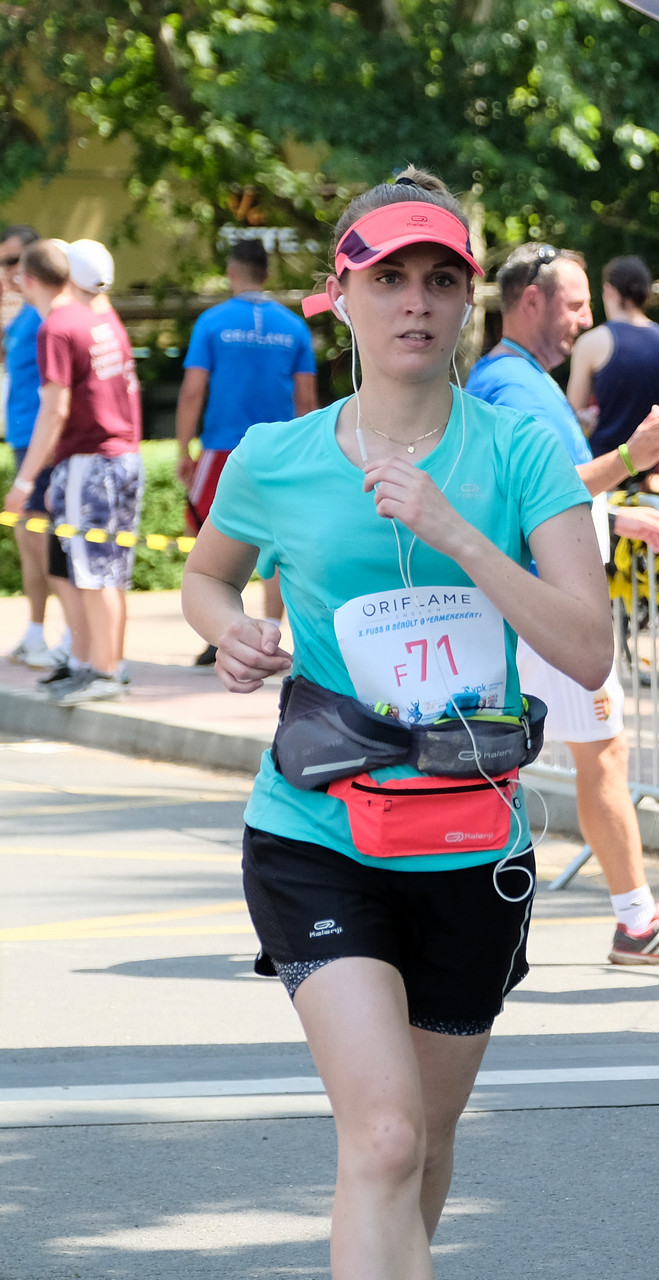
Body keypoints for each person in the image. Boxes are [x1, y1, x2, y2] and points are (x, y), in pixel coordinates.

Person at [181, 167, 610, 1276]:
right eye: (388, 279)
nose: (415, 301)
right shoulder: (275, 456)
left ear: (468, 300)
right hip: (316, 828)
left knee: (423, 1138)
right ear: (339, 296)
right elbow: (207, 577)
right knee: (381, 1135)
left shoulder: (519, 453)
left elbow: (587, 648)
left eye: (440, 280)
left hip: (469, 838)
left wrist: (457, 532)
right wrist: (231, 631)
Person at [467, 241, 659, 966]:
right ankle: (635, 923)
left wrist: (614, 516)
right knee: (589, 753)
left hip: (535, 600)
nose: (585, 320)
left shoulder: (512, 379)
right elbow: (539, 492)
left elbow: (536, 493)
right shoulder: (515, 387)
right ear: (531, 301)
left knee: (554, 756)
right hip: (547, 606)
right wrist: (633, 459)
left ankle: (628, 920)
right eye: (575, 305)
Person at [3, 238, 144, 707]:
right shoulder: (98, 318)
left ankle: (103, 669)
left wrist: (26, 480)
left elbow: (54, 409)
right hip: (120, 455)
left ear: (27, 279)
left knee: (92, 572)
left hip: (89, 459)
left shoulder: (57, 327)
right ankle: (98, 665)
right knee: (106, 571)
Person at [177, 236, 319, 662]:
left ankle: (221, 630)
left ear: (230, 272)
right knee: (276, 540)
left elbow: (193, 391)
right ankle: (271, 630)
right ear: (267, 273)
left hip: (224, 447)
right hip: (281, 449)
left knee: (209, 538)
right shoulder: (293, 326)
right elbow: (307, 400)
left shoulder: (212, 322)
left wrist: (183, 449)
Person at [0, 224, 62, 669]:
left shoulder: (45, 317)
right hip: (24, 439)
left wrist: (42, 458)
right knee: (29, 538)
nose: (6, 271)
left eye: (12, 261)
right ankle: (37, 631)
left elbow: (57, 395)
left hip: (41, 444)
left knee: (46, 542)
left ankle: (72, 638)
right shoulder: (25, 316)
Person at [565, 254, 659, 460]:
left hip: (606, 463)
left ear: (609, 290)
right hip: (653, 461)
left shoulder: (592, 342)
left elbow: (573, 413)